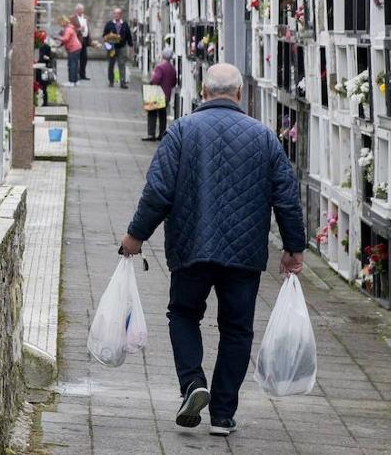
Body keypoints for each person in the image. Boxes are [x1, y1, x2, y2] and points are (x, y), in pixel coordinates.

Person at [119, 63, 306, 438]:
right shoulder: (265, 138)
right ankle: (222, 414)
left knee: (184, 314)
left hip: (192, 247)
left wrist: (136, 236)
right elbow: (287, 197)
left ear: (204, 92)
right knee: (237, 330)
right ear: (239, 94)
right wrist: (293, 248)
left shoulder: (182, 132)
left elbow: (158, 191)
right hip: (244, 253)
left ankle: (192, 384)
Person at [143, 48, 178, 141]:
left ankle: (151, 134)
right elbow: (174, 82)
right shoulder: (172, 68)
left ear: (162, 55)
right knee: (163, 114)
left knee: (152, 113)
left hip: (157, 94)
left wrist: (151, 82)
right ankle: (162, 134)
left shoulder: (160, 67)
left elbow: (156, 80)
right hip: (167, 95)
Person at [102, 7, 133, 89]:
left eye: (118, 14)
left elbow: (129, 35)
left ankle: (122, 82)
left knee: (122, 64)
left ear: (121, 15)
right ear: (113, 14)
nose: (116, 15)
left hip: (122, 47)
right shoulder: (109, 24)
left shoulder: (125, 24)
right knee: (111, 65)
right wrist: (108, 42)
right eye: (115, 13)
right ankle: (111, 81)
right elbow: (104, 35)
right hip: (112, 47)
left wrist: (131, 45)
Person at [57, 16, 82, 86]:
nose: (60, 25)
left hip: (73, 49)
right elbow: (66, 39)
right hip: (77, 47)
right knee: (75, 65)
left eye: (60, 23)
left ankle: (71, 81)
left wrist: (57, 38)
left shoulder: (68, 29)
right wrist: (60, 45)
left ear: (63, 22)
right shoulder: (69, 28)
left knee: (71, 65)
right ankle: (76, 81)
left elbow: (65, 39)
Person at [70, 4, 90, 81]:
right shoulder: (72, 18)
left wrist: (90, 40)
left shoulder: (85, 18)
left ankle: (83, 74)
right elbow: (70, 29)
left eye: (82, 9)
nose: (82, 11)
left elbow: (88, 29)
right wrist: (78, 29)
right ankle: (76, 74)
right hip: (77, 40)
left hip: (84, 40)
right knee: (76, 58)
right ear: (76, 10)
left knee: (84, 58)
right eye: (80, 9)